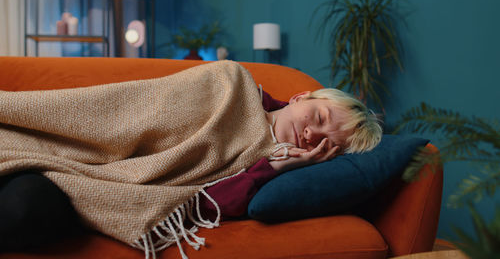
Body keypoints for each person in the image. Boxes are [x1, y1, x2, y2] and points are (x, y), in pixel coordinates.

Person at [0, 84, 381, 253]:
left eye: (323, 142)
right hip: (71, 144)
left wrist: (272, 168)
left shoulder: (265, 169)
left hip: (62, 188)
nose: (309, 132)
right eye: (317, 116)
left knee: (30, 210)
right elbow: (129, 110)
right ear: (301, 98)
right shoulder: (231, 83)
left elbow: (204, 204)